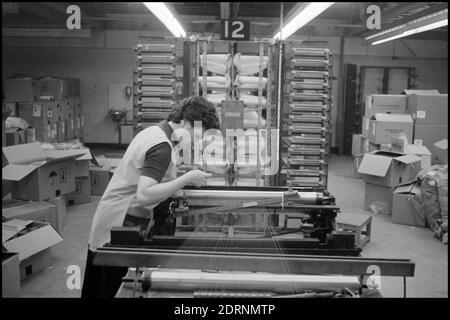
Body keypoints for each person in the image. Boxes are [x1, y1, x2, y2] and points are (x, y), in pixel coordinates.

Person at [81, 95, 220, 298]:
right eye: (198, 134)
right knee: (112, 289)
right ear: (184, 122)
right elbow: (145, 194)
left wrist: (180, 176)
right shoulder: (162, 147)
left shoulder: (155, 132)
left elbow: (148, 176)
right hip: (119, 227)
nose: (197, 141)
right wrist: (187, 178)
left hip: (116, 217)